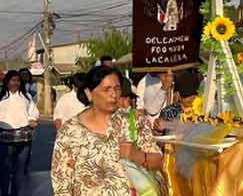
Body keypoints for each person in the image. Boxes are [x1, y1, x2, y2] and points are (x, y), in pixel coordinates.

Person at [52, 66, 164, 196]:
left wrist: (136, 155)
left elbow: (159, 162)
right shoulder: (70, 131)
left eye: (117, 89)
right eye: (106, 89)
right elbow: (61, 183)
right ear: (89, 93)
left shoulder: (134, 120)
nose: (113, 95)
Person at [0, 70, 39, 196]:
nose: (15, 82)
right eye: (13, 80)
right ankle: (4, 193)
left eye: (18, 80)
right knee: (4, 169)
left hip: (23, 136)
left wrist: (32, 119)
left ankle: (15, 194)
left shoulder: (26, 96)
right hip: (4, 137)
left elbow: (34, 112)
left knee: (19, 170)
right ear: (7, 82)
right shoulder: (1, 96)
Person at [154, 70, 200, 134]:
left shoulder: (201, 109)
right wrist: (158, 129)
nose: (191, 99)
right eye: (187, 95)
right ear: (178, 94)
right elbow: (160, 135)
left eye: (194, 95)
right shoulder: (168, 112)